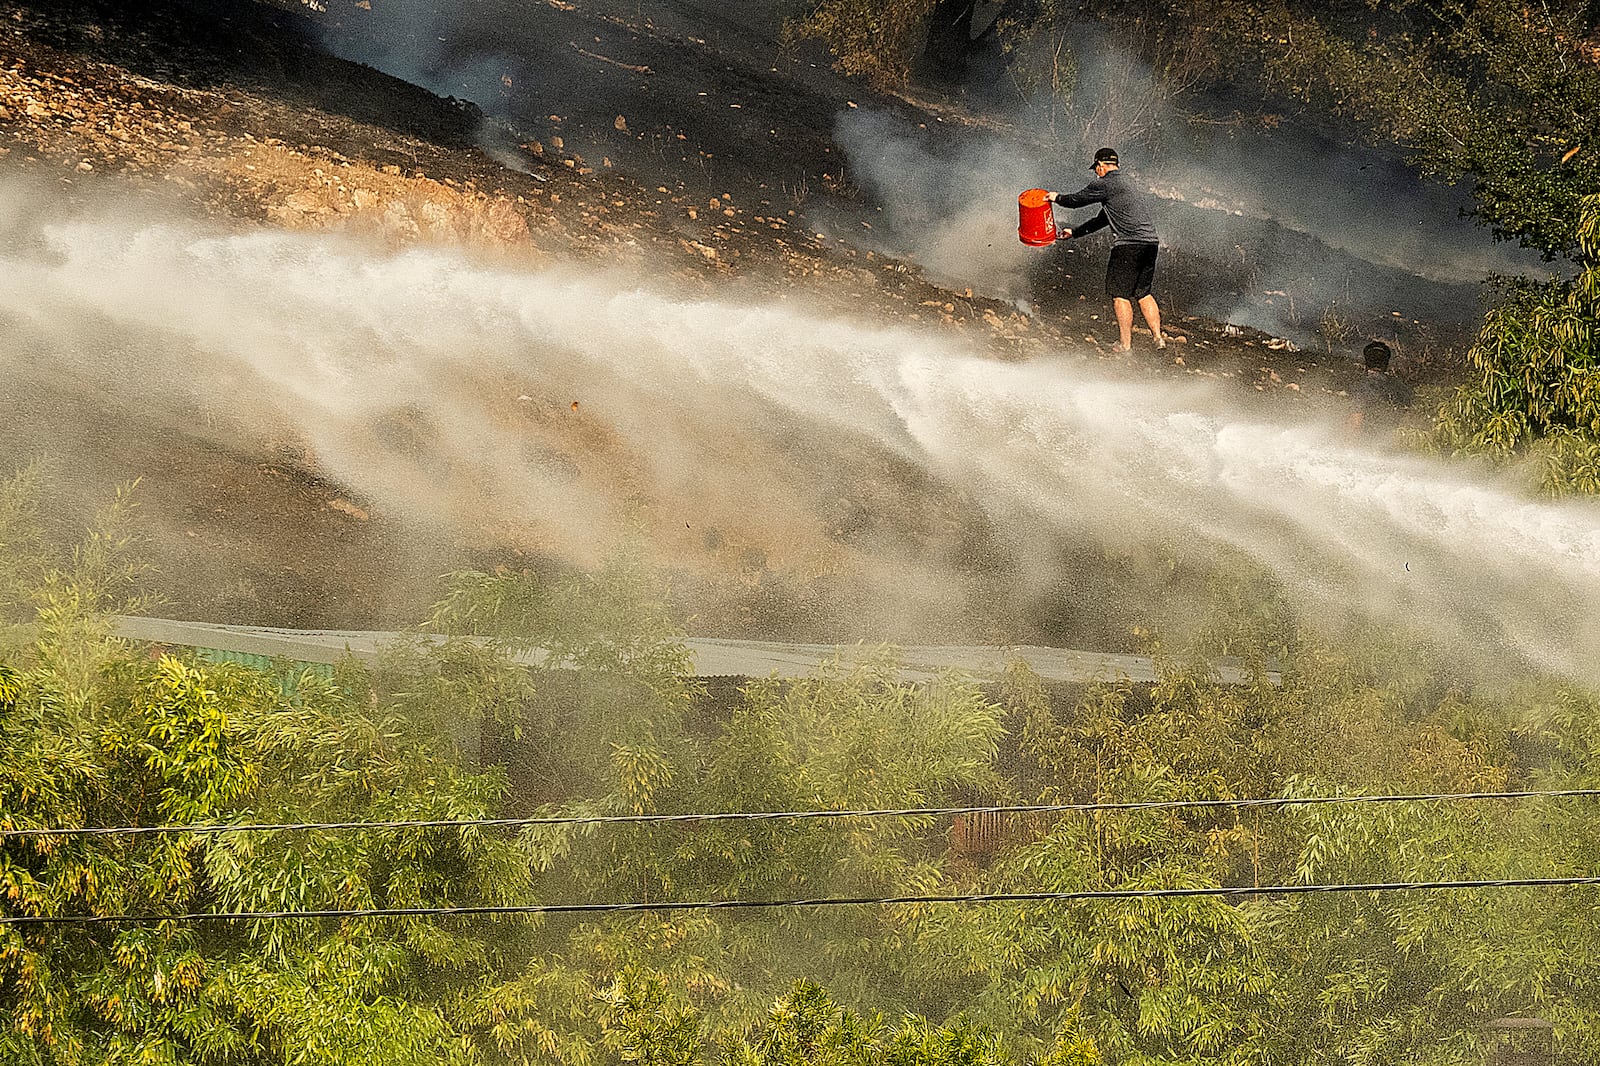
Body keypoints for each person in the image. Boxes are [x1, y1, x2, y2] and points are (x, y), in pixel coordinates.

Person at [1044, 147, 1164, 353]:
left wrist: (1056, 197)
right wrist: (1075, 232)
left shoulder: (1105, 183)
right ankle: (1158, 338)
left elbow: (1076, 201)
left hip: (1129, 245)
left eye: (1096, 169)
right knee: (1143, 292)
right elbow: (1102, 219)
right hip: (1150, 243)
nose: (1096, 172)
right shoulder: (1128, 185)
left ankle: (1125, 346)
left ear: (1100, 166)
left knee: (1120, 295)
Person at [1345, 339, 1415, 435]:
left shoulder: (1362, 387)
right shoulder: (1401, 387)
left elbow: (1356, 423)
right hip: (1397, 439)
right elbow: (1409, 416)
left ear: (1366, 362)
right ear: (1386, 364)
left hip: (1368, 442)